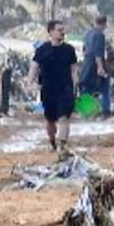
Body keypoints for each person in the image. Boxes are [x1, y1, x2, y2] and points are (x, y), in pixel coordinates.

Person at [28, 20, 79, 153]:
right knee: (50, 120)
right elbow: (34, 67)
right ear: (50, 32)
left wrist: (76, 84)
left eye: (63, 30)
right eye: (59, 30)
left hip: (65, 88)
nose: (62, 32)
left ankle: (62, 145)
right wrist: (30, 83)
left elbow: (74, 69)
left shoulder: (69, 50)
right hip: (48, 89)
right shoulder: (42, 50)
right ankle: (52, 141)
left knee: (64, 117)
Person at [79, 14, 112, 116]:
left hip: (87, 64)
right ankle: (105, 112)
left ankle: (86, 112)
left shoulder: (88, 33)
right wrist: (100, 67)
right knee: (105, 88)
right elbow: (98, 52)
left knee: (86, 88)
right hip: (96, 65)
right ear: (105, 24)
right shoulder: (99, 35)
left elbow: (84, 49)